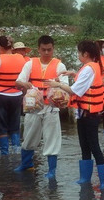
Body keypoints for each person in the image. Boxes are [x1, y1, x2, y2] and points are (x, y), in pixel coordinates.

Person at [45, 40, 104, 190]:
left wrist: (58, 85)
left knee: (94, 146)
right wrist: (74, 73)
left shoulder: (89, 68)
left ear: (85, 54)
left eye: (79, 53)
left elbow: (75, 90)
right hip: (84, 113)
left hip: (89, 114)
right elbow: (86, 83)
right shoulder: (92, 66)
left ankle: (103, 181)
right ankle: (85, 178)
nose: (78, 55)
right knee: (84, 146)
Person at [14, 35, 68, 178]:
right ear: (38, 49)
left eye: (49, 50)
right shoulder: (30, 64)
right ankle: (26, 164)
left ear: (53, 49)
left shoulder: (59, 66)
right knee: (29, 136)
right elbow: (18, 81)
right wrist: (25, 84)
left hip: (51, 107)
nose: (46, 53)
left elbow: (66, 86)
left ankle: (51, 170)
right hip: (33, 106)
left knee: (52, 138)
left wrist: (58, 88)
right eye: (43, 50)